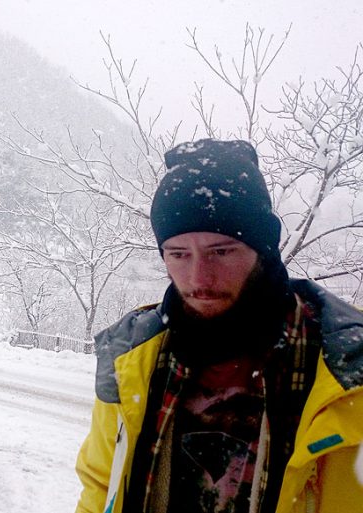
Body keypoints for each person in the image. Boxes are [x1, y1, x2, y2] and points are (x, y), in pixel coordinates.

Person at [75, 139, 363, 513]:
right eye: (178, 254)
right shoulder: (132, 356)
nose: (198, 277)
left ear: (264, 248)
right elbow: (101, 486)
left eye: (221, 251)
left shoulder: (345, 368)